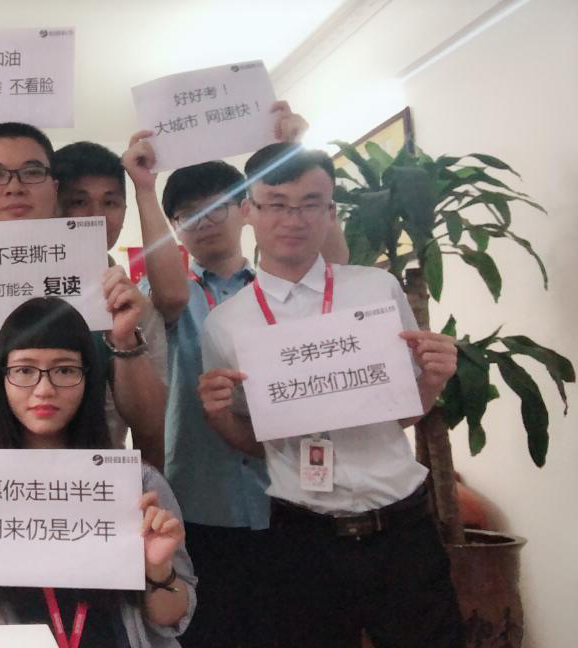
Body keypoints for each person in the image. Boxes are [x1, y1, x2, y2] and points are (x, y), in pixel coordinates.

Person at [198, 142, 464, 647]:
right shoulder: (225, 323)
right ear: (249, 210)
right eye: (277, 203)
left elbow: (400, 414)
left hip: (401, 525)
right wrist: (218, 418)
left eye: (311, 203)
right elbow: (256, 441)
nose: (293, 219)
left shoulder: (376, 290)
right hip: (302, 538)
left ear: (330, 211)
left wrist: (432, 380)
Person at [130, 107, 347, 647]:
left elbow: (337, 271)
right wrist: (144, 189)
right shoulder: (169, 298)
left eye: (218, 206)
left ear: (245, 209)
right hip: (202, 503)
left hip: (294, 496)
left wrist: (292, 152)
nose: (204, 221)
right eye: (187, 214)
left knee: (298, 631)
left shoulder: (286, 287)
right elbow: (168, 291)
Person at [0, 75, 165, 496]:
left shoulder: (98, 282)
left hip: (85, 501)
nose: (14, 186)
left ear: (54, 189)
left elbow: (148, 421)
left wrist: (125, 339)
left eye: (32, 172)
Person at [0, 297, 196, 647]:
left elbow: (172, 620)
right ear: (2, 379)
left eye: (64, 370)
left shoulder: (138, 485)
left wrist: (157, 569)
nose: (44, 389)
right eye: (24, 370)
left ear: (87, 379)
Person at [50, 141, 171, 466]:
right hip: (6, 483)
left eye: (111, 202)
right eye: (78, 202)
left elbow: (150, 429)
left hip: (98, 483)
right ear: (52, 205)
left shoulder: (135, 307)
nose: (97, 216)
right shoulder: (5, 291)